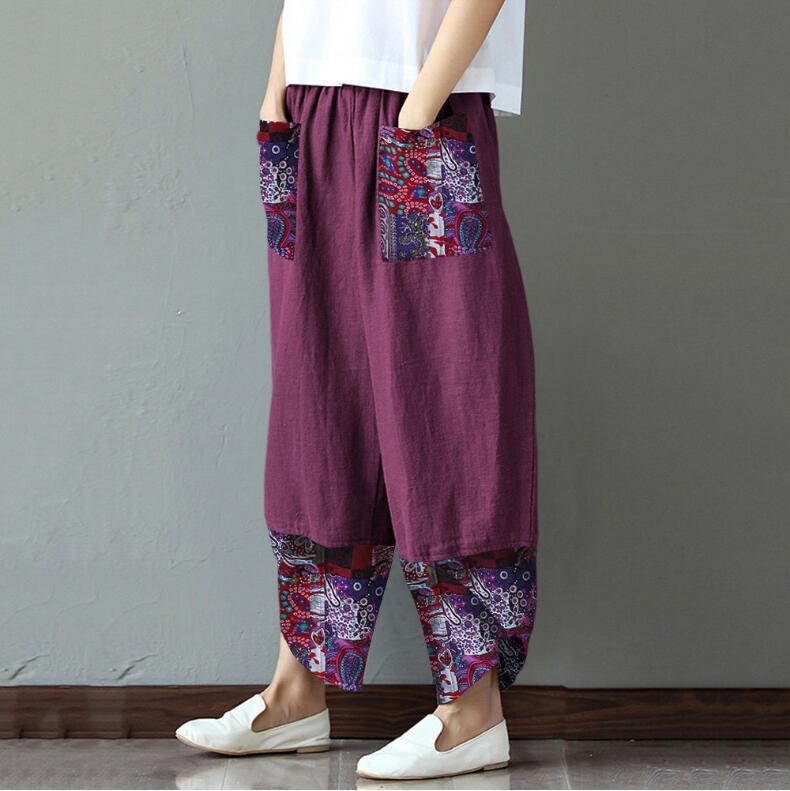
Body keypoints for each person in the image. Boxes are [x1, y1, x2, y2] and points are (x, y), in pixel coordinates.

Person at [176, 0, 537, 780]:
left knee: (450, 397)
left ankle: (473, 709)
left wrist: (419, 108)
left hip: (419, 105)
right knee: (319, 400)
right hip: (308, 112)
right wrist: (275, 92)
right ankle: (296, 690)